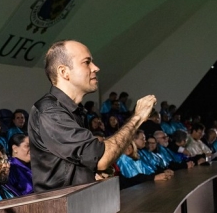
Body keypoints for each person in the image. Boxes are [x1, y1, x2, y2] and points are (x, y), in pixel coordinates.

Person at [28, 40, 156, 190]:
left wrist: (92, 174)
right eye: (87, 62)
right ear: (64, 72)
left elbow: (77, 162)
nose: (96, 68)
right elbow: (101, 158)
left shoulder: (74, 111)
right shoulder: (50, 111)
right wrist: (138, 117)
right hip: (62, 210)